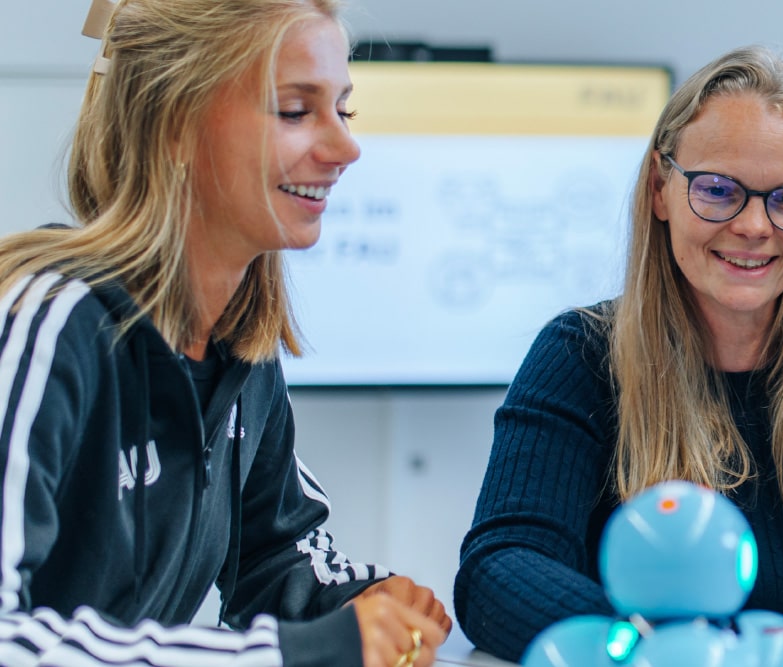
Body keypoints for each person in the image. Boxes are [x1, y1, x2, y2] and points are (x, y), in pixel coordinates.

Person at [454, 44, 783, 661]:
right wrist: (650, 650)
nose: (754, 226)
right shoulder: (580, 357)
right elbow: (499, 571)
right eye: (718, 191)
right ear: (661, 190)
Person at [0, 0, 451, 665]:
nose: (345, 148)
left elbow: (275, 558)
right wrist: (286, 655)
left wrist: (362, 603)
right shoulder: (49, 320)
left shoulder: (240, 347)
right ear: (175, 124)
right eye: (296, 111)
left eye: (343, 111)